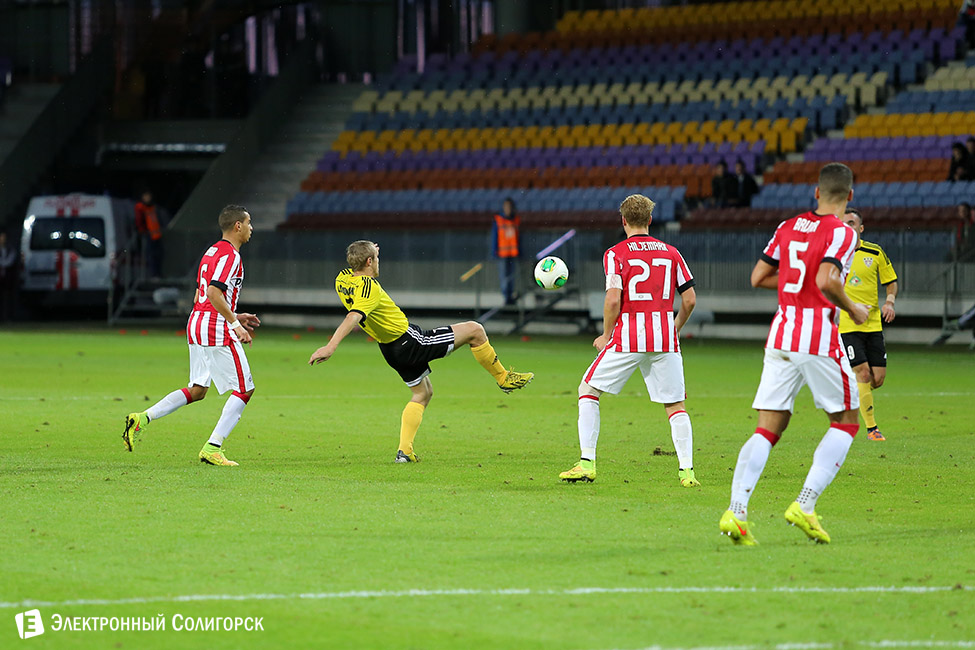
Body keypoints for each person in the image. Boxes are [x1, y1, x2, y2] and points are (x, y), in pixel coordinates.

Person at [719, 163, 869, 546]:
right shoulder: (843, 232)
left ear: (816, 193)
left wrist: (794, 285)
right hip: (817, 334)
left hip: (782, 332)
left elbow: (758, 277)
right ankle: (805, 503)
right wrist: (854, 309)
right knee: (847, 421)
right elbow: (826, 280)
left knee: (768, 428)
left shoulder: (787, 227)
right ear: (850, 195)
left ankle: (736, 511)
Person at [309, 240, 534, 462]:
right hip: (411, 342)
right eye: (376, 259)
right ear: (369, 261)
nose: (378, 262)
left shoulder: (342, 279)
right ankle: (503, 377)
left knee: (422, 394)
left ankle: (404, 452)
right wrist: (331, 346)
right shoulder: (370, 289)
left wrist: (369, 251)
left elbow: (358, 270)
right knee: (475, 330)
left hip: (390, 350)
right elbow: (353, 316)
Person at [558, 194, 701, 487]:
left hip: (629, 338)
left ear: (623, 221)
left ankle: (587, 463)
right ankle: (687, 472)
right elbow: (689, 300)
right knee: (676, 406)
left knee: (588, 390)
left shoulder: (616, 254)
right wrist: (674, 327)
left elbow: (613, 300)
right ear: (650, 220)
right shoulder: (672, 253)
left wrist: (605, 335)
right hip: (664, 339)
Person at [122, 205, 260, 466]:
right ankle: (212, 447)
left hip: (197, 322)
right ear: (238, 226)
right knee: (245, 389)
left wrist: (235, 314)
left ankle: (142, 418)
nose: (251, 228)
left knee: (197, 390)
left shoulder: (211, 252)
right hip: (214, 327)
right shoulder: (230, 256)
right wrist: (234, 324)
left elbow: (200, 295)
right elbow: (213, 293)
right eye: (249, 222)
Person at [838, 208, 898, 442]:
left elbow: (891, 281)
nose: (847, 227)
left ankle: (850, 392)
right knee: (862, 373)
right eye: (843, 223)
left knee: (877, 379)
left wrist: (890, 302)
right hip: (847, 324)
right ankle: (872, 429)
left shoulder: (874, 251)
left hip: (873, 325)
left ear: (860, 228)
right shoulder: (833, 255)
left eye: (851, 223)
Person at [491, 197, 520, 304]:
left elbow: (518, 237)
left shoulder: (515, 220)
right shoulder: (499, 220)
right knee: (504, 276)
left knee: (512, 275)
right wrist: (494, 251)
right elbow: (495, 237)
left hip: (513, 253)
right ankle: (506, 296)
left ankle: (510, 294)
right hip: (502, 253)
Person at [135, 191, 164, 278]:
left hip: (156, 234)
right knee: (151, 255)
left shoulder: (153, 207)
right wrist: (142, 230)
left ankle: (157, 273)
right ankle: (154, 274)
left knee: (158, 255)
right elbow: (139, 220)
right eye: (146, 196)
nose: (148, 198)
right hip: (149, 235)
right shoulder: (141, 207)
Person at [0, 232, 17, 323]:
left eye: (4, 237)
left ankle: (8, 317)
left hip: (8, 279)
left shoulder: (10, 250)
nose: (2, 239)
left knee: (8, 298)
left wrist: (2, 264)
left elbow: (9, 261)